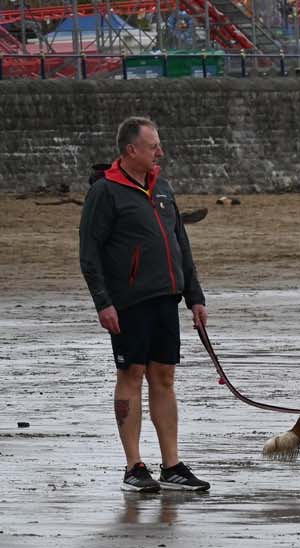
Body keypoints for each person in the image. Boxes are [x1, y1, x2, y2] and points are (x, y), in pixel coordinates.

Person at [79, 116, 211, 493]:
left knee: (164, 377)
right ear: (131, 150)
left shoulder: (163, 187)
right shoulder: (104, 192)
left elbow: (181, 244)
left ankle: (172, 466)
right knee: (131, 375)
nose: (160, 153)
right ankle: (134, 467)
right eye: (154, 147)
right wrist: (103, 303)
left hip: (166, 298)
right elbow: (89, 253)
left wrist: (194, 297)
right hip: (128, 302)